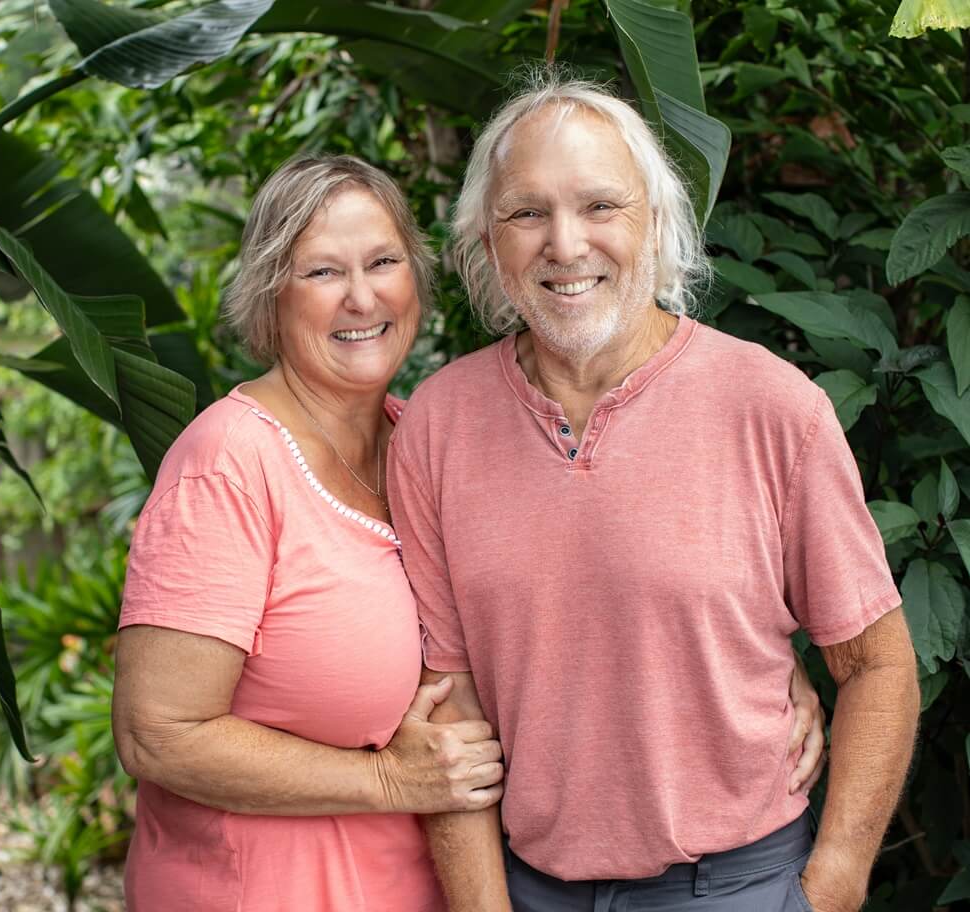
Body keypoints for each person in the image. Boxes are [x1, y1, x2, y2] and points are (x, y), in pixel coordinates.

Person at [112, 155, 827, 912]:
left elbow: (566, 591)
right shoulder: (228, 466)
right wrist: (387, 780)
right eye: (322, 272)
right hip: (261, 888)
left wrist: (754, 662)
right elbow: (159, 733)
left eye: (383, 262)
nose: (362, 297)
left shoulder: (428, 438)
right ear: (269, 296)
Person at [386, 74, 921, 912]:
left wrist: (837, 881)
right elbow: (449, 706)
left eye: (601, 206)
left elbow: (880, 662)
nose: (565, 245)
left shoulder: (773, 407)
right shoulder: (437, 425)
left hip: (736, 884)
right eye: (527, 213)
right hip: (530, 888)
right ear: (487, 243)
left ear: (658, 222)